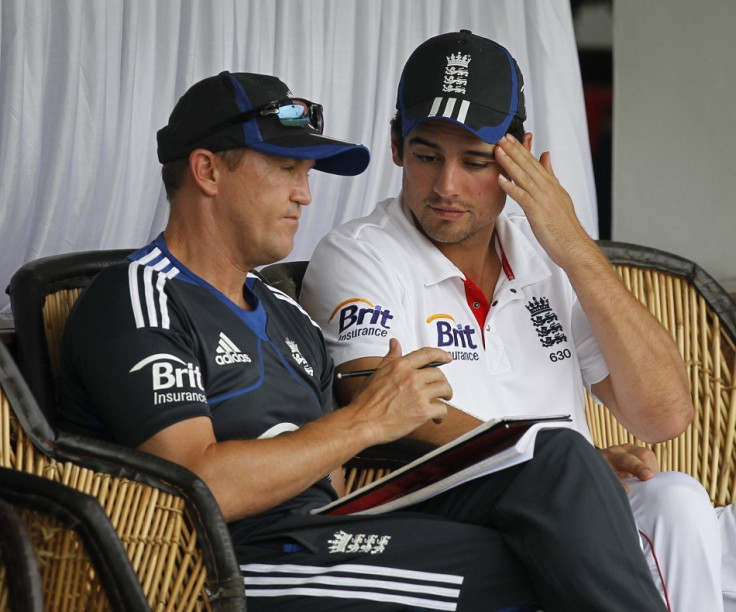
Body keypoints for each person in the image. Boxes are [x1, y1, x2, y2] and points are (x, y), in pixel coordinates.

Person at [58, 69, 667, 612]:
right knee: (529, 567)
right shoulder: (139, 296)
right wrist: (367, 421)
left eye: (306, 172)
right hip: (237, 559)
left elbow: (339, 478)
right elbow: (195, 483)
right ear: (207, 170)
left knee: (556, 459)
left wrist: (548, 471)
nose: (305, 192)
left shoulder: (286, 315)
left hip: (329, 528)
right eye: (284, 169)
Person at [300, 30, 725, 611]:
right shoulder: (359, 253)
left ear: (519, 155)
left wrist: (575, 246)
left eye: (475, 161)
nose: (446, 187)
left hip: (563, 499)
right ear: (396, 144)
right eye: (427, 155)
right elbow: (378, 403)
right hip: (440, 509)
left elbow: (665, 416)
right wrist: (551, 464)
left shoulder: (547, 257)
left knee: (676, 498)